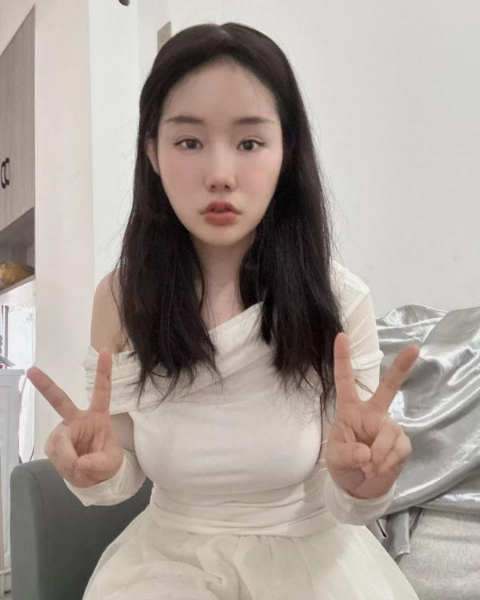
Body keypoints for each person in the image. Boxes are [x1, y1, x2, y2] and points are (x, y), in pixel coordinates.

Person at [27, 22, 421, 600]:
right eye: (189, 142)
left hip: (313, 558)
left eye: (250, 143)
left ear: (287, 152)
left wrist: (363, 479)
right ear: (152, 152)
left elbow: (348, 497)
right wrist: (97, 468)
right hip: (165, 562)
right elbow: (123, 462)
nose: (219, 174)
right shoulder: (122, 298)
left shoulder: (338, 300)